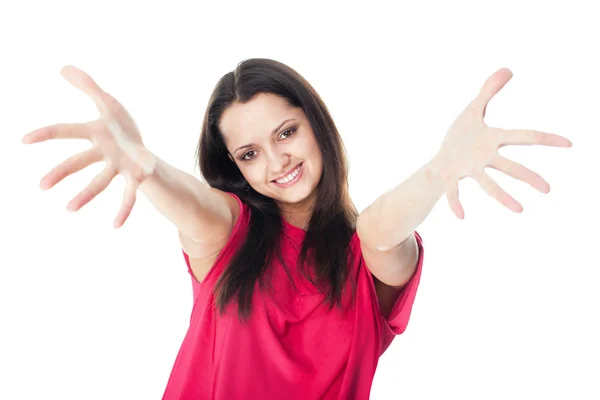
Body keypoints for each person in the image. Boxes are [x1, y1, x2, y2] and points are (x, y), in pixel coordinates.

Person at [21, 59, 572, 399]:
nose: (276, 162)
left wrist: (434, 174)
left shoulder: (370, 260)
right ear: (234, 167)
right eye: (249, 153)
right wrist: (151, 169)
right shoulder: (228, 235)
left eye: (287, 132)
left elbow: (379, 232)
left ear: (316, 123)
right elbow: (197, 208)